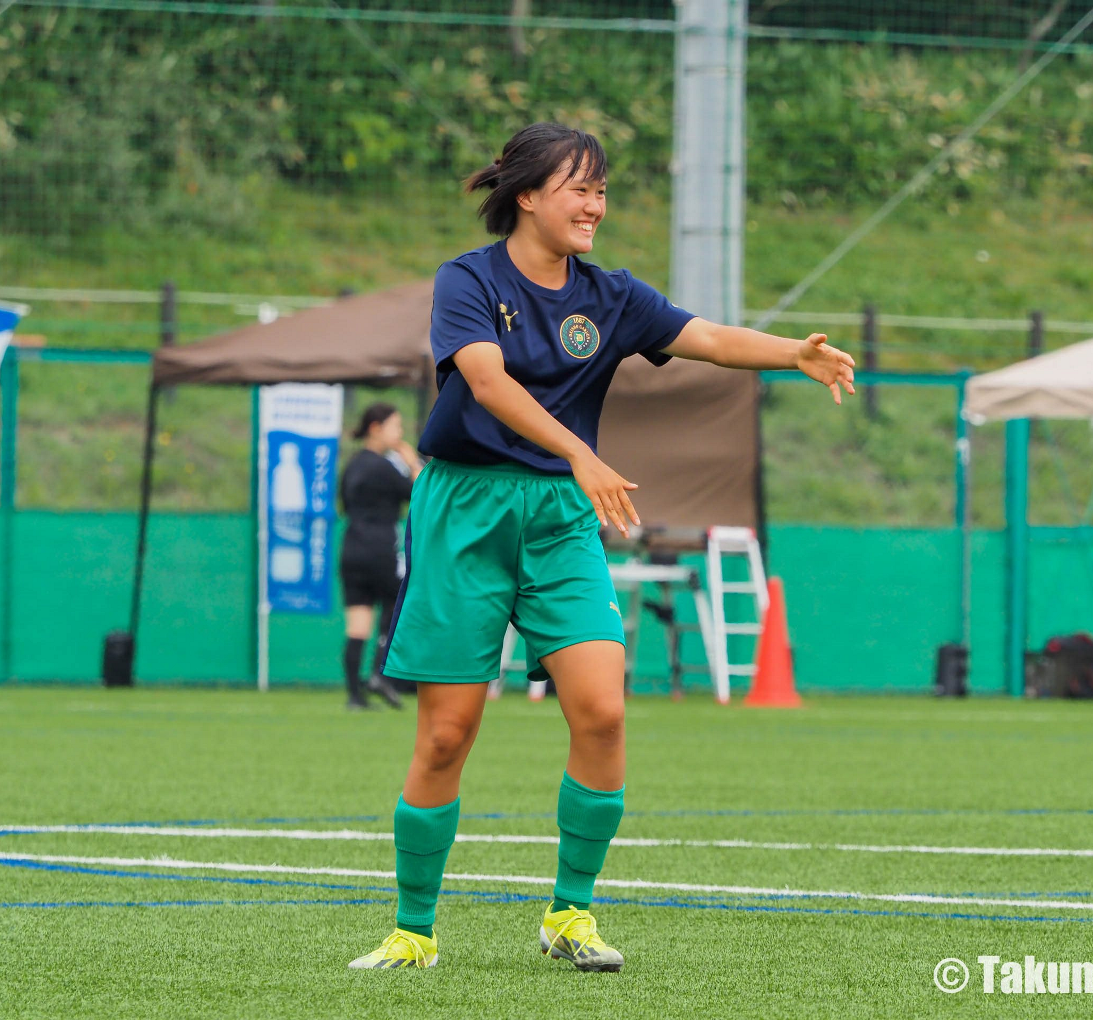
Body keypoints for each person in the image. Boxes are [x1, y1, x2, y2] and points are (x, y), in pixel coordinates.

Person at [346, 122, 855, 973]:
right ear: (527, 195)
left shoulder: (610, 296)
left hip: (559, 520)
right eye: (579, 188)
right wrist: (578, 452)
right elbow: (486, 381)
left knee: (604, 711)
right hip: (464, 512)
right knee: (445, 734)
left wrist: (791, 354)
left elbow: (709, 338)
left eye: (602, 190)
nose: (595, 205)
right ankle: (414, 931)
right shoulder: (467, 280)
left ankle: (570, 915)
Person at [338, 403, 422, 710]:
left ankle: (354, 696)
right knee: (397, 604)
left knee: (358, 624)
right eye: (395, 426)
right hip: (380, 548)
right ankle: (378, 673)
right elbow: (421, 493)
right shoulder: (384, 467)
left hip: (351, 548)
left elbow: (344, 503)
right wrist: (412, 462)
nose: (400, 433)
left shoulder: (352, 465)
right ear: (376, 428)